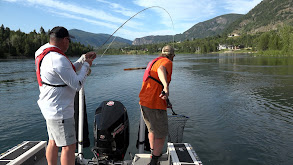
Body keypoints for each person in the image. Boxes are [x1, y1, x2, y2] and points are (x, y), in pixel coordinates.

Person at [35, 26, 96, 165]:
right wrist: (86, 65)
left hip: (48, 108)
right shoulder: (58, 59)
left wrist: (82, 60)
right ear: (64, 40)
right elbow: (77, 84)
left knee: (53, 141)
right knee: (69, 146)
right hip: (60, 111)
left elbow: (66, 72)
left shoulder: (43, 52)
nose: (69, 44)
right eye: (68, 40)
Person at [139, 45, 175, 165]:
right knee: (161, 133)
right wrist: (165, 87)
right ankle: (154, 161)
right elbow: (161, 70)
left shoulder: (154, 61)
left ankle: (153, 152)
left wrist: (166, 98)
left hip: (144, 101)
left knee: (152, 130)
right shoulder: (167, 62)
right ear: (172, 55)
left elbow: (155, 80)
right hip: (155, 104)